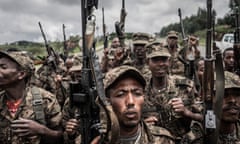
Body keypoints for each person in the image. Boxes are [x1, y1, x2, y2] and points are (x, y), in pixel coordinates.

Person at [91, 65, 175, 144]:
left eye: (137, 93)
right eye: (120, 94)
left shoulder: (163, 140)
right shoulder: (94, 141)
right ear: (108, 102)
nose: (131, 102)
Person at [143, 41, 203, 142]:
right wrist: (143, 124)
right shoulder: (139, 88)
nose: (160, 64)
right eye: (155, 60)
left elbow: (204, 118)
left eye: (164, 59)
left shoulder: (185, 86)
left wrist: (186, 112)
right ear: (147, 62)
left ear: (169, 62)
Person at [0, 50, 63, 144]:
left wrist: (42, 131)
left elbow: (62, 137)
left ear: (21, 74)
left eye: (3, 67)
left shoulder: (46, 99)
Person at [181, 71, 240, 143]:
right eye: (224, 95)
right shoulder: (196, 139)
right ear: (208, 99)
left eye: (237, 95)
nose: (232, 100)